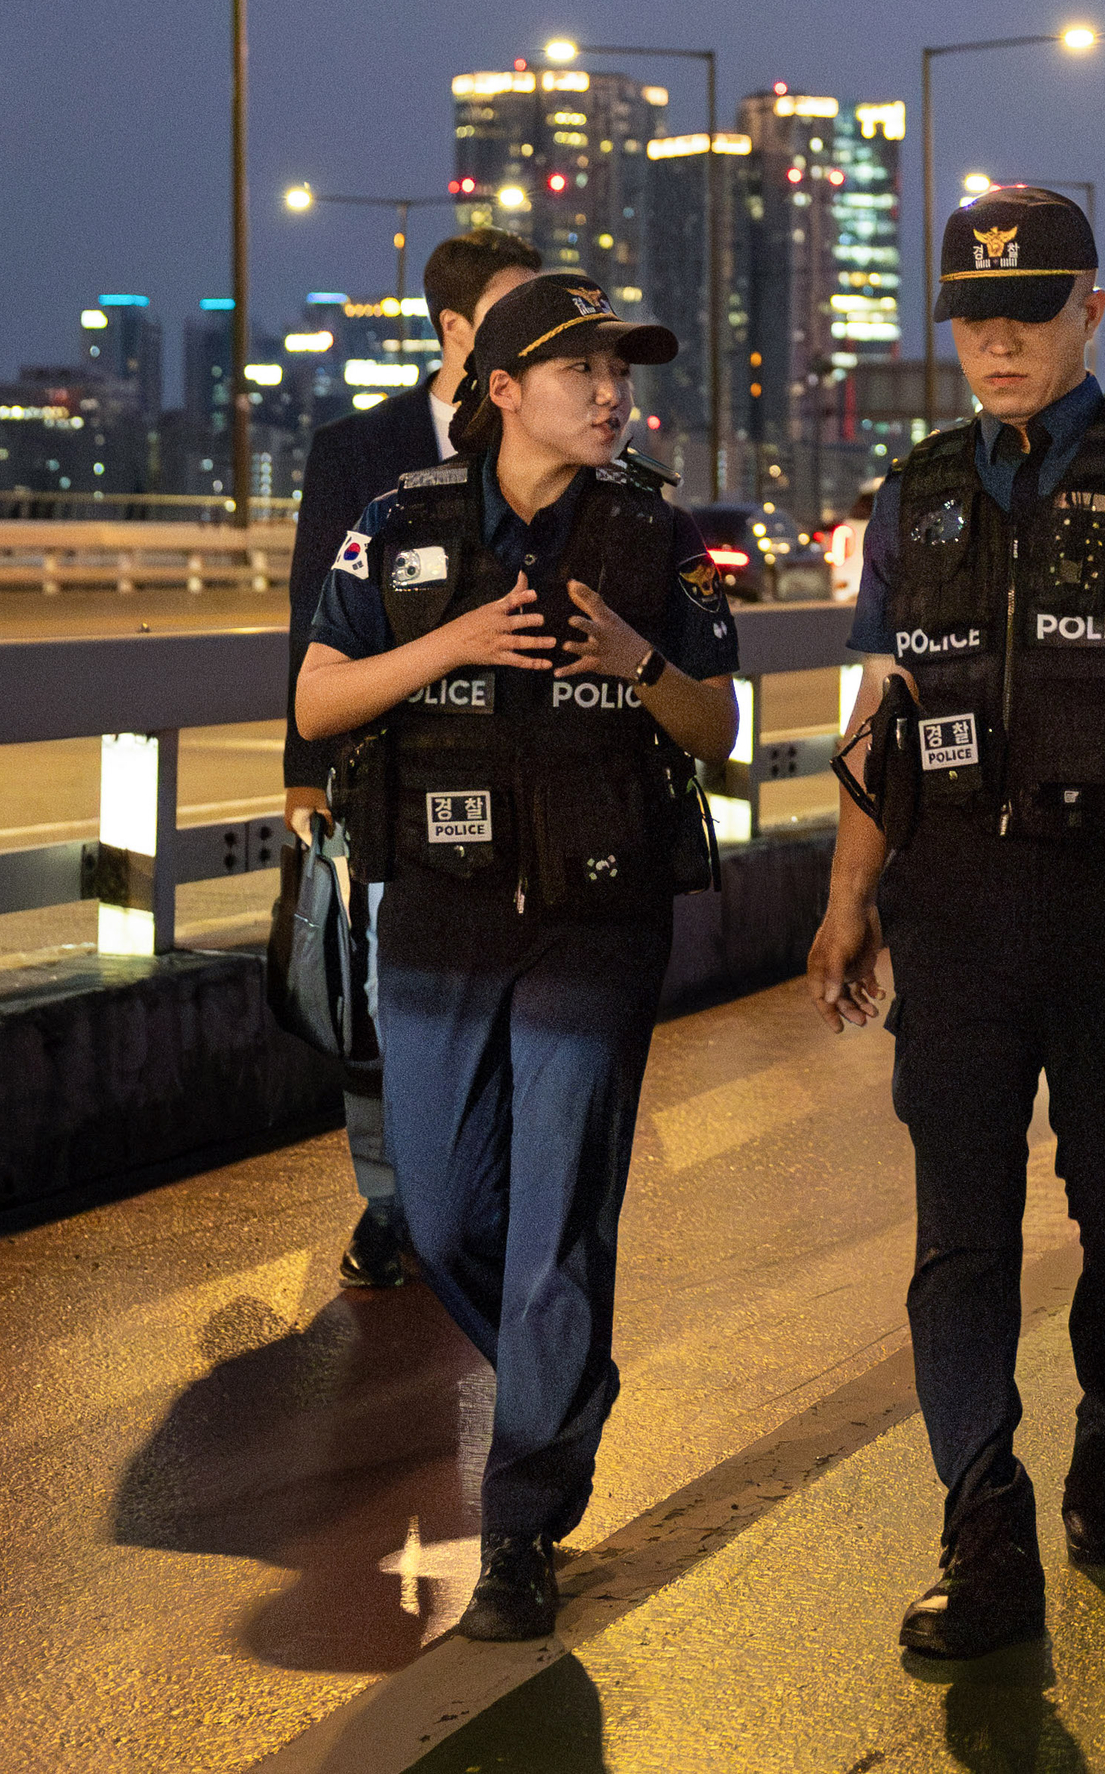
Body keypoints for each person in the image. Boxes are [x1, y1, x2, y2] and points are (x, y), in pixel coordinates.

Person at [805, 184, 1105, 1662]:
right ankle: (982, 1520)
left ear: (1092, 311)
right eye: (974, 318)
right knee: (961, 1225)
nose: (999, 340)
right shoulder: (918, 492)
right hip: (953, 903)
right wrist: (847, 894)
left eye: (1030, 311)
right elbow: (885, 707)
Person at [292, 272, 740, 1641]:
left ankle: (525, 1521)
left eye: (621, 371)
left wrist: (633, 660)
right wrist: (454, 644)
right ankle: (569, 1385)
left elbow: (715, 726)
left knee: (555, 1234)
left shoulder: (660, 539)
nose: (611, 393)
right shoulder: (402, 531)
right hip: (434, 919)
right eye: (580, 371)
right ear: (501, 392)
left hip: (597, 927)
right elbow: (316, 699)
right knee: (440, 1221)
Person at [283, 227, 544, 1291]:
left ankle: (493, 1190)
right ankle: (389, 1199)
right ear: (455, 329)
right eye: (516, 312)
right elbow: (312, 616)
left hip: (527, 773)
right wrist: (303, 770)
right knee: (389, 996)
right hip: (396, 771)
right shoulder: (358, 447)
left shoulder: (552, 426)